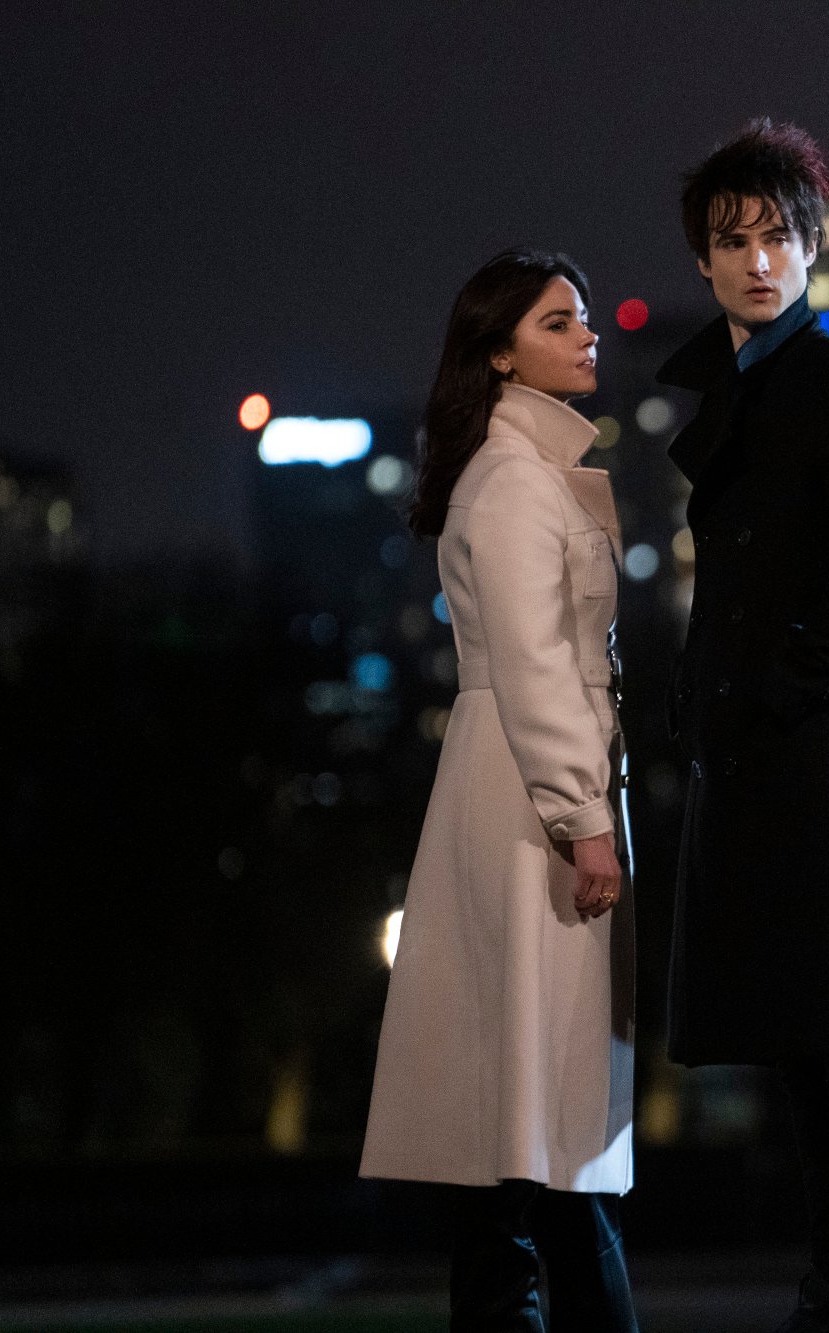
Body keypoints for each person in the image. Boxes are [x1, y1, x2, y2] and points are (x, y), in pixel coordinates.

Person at [657, 119, 829, 1333]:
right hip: (752, 747)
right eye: (733, 240)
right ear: (702, 262)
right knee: (792, 1027)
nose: (758, 260)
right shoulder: (730, 392)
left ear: (814, 248)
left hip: (820, 745)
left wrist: (770, 692)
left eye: (779, 236)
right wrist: (698, 697)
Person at [361, 248, 638, 1332]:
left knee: (514, 1142)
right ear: (499, 349)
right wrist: (586, 821)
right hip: (531, 803)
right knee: (545, 1136)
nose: (588, 335)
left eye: (582, 319)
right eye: (559, 321)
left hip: (510, 785)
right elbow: (537, 665)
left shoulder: (509, 471)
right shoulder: (515, 481)